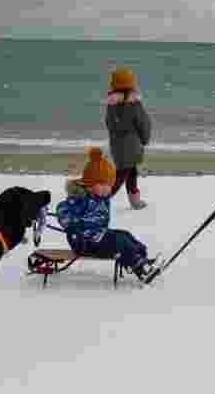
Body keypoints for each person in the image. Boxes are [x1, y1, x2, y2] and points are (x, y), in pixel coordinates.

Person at [56, 147, 156, 280]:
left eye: (108, 185)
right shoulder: (81, 199)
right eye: (101, 185)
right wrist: (71, 224)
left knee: (124, 235)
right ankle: (139, 268)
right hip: (84, 242)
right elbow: (62, 209)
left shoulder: (102, 199)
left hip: (99, 237)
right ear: (89, 184)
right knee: (119, 241)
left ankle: (141, 258)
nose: (106, 189)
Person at [105, 67, 152, 209]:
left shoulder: (111, 103)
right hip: (132, 146)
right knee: (120, 177)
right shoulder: (134, 103)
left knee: (130, 172)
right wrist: (145, 139)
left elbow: (109, 124)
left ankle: (135, 201)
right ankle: (100, 201)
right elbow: (143, 123)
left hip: (117, 145)